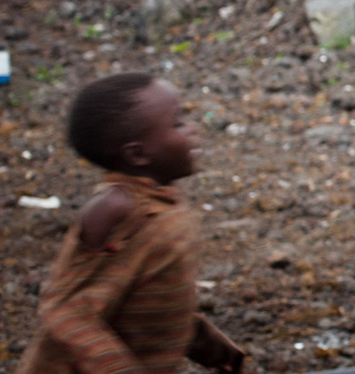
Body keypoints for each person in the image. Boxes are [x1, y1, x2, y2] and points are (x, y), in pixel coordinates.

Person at [18, 73, 244, 374]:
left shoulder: (162, 204)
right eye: (177, 123)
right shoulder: (117, 209)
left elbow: (146, 299)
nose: (192, 129)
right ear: (138, 154)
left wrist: (206, 344)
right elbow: (66, 310)